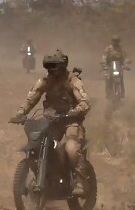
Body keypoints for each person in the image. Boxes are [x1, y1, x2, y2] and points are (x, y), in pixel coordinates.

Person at [9, 50, 90, 183]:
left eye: (54, 66)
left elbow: (85, 102)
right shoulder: (45, 81)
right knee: (40, 145)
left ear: (63, 66)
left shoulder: (72, 81)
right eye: (48, 67)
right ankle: (48, 178)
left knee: (71, 149)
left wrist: (74, 111)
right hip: (51, 121)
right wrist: (20, 113)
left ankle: (80, 181)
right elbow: (31, 98)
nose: (51, 70)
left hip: (71, 121)